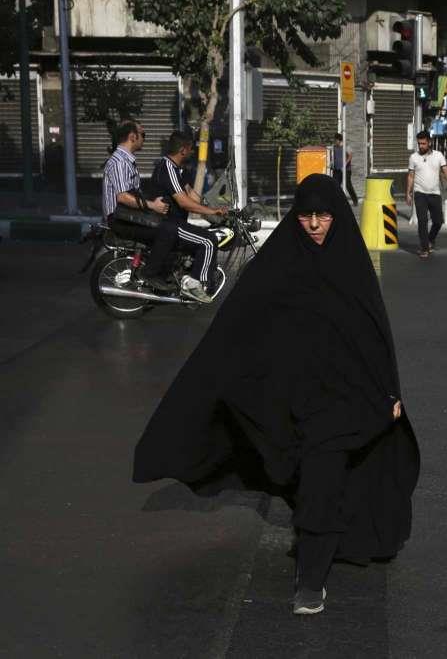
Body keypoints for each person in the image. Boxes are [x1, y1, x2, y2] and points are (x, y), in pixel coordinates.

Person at [133, 174, 420, 615]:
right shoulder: (279, 263)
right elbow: (239, 325)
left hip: (343, 397)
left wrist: (389, 391)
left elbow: (374, 335)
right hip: (291, 397)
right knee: (306, 478)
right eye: (306, 215)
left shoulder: (351, 265)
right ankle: (322, 535)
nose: (314, 224)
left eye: (323, 215)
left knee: (323, 476)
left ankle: (310, 578)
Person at [143, 130, 227, 304]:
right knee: (209, 241)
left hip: (177, 222)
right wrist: (211, 212)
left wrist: (215, 206)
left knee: (206, 233)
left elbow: (191, 195)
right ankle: (195, 286)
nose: (193, 152)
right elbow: (184, 202)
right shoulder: (167, 168)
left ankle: (187, 275)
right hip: (169, 224)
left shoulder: (178, 170)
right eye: (190, 149)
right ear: (182, 150)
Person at [101, 120, 169, 287]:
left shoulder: (126, 161)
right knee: (166, 232)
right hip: (120, 219)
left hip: (128, 215)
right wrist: (153, 206)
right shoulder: (120, 162)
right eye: (143, 135)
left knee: (168, 224)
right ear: (132, 136)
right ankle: (150, 274)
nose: (144, 139)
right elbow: (123, 197)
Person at [406, 130, 447, 258]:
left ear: (429, 142)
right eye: (419, 144)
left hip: (435, 193)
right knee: (422, 221)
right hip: (420, 193)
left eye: (423, 143)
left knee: (438, 221)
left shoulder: (438, 155)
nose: (421, 146)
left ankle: (430, 240)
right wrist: (408, 193)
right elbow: (411, 176)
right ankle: (424, 248)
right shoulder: (414, 158)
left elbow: (445, 171)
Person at [332, 134, 359, 206]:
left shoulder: (346, 146)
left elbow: (350, 156)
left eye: (335, 140)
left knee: (348, 185)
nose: (335, 141)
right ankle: (335, 201)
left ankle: (355, 200)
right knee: (335, 185)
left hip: (346, 169)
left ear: (339, 140)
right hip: (337, 169)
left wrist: (345, 165)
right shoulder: (334, 147)